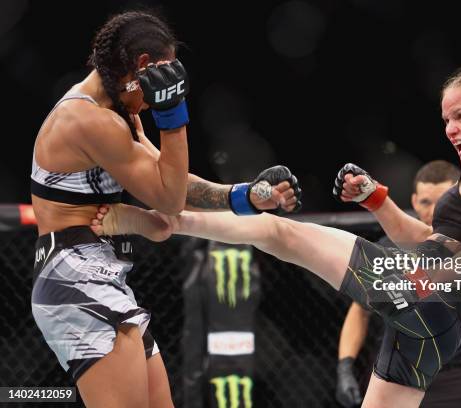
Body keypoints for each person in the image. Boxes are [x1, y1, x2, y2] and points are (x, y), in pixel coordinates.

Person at [92, 65, 461, 407]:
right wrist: (376, 200)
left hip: (427, 293)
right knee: (281, 235)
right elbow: (434, 239)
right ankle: (167, 222)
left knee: (279, 232)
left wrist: (418, 281)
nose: (450, 128)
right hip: (440, 331)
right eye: (445, 120)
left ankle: (166, 221)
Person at [30, 10, 300, 408]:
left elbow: (172, 183)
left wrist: (244, 197)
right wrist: (173, 117)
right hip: (75, 278)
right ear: (144, 67)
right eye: (165, 75)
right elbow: (168, 198)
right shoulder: (87, 120)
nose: (159, 92)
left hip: (97, 274)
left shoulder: (115, 116)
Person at [335, 160, 461, 408]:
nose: (431, 211)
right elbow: (359, 312)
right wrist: (345, 366)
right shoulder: (388, 247)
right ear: (415, 201)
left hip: (451, 376)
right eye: (426, 202)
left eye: (439, 202)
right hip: (397, 371)